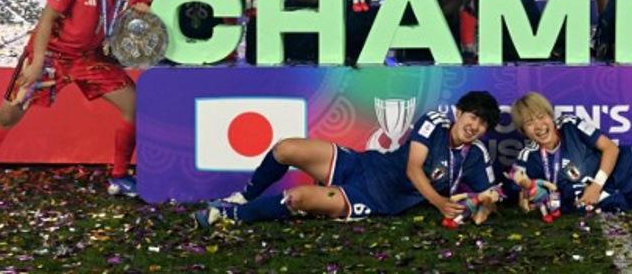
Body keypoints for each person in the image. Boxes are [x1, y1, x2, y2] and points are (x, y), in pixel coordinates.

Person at [0, 0, 151, 206]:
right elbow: (46, 19)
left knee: (135, 105)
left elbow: (143, 23)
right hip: (51, 54)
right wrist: (36, 62)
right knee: (8, 115)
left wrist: (145, 15)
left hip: (89, 58)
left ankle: (119, 177)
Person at [196, 91, 502, 227]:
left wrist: (482, 206)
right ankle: (244, 197)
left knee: (296, 198)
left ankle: (230, 214)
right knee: (286, 148)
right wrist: (440, 203)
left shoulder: (476, 155)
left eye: (483, 124)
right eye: (472, 117)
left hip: (374, 197)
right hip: (364, 164)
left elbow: (490, 195)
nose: (474, 126)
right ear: (459, 113)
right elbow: (412, 168)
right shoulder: (435, 122)